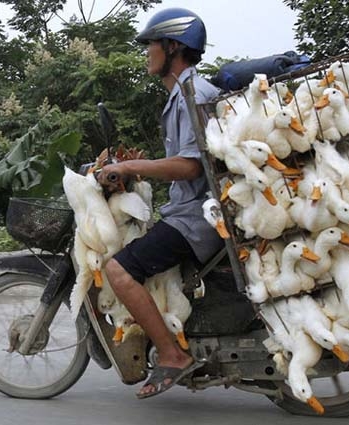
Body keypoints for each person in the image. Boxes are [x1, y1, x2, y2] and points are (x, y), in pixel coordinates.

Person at [96, 8, 224, 399]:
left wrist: (131, 165)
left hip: (195, 219)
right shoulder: (184, 94)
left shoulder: (190, 95)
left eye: (151, 44)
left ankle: (172, 355)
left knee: (118, 271)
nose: (147, 52)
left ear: (173, 47)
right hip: (193, 211)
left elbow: (188, 167)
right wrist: (135, 170)